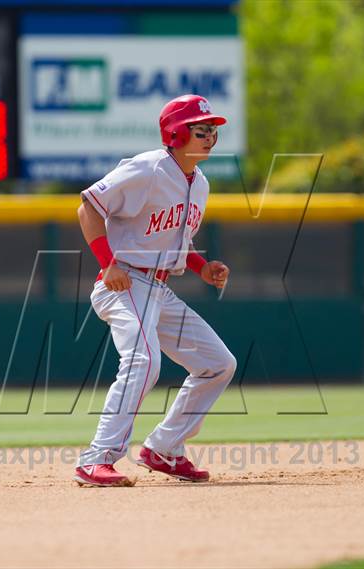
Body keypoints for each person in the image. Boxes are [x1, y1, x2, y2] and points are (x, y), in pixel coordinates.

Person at [74, 94, 237, 487]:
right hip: (124, 281)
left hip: (159, 289)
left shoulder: (199, 183)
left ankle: (164, 448)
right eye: (202, 130)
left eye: (213, 130)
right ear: (176, 132)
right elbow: (88, 207)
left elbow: (171, 240)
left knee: (219, 363)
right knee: (144, 360)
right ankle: (97, 457)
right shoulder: (147, 168)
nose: (210, 137)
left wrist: (201, 266)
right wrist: (107, 262)